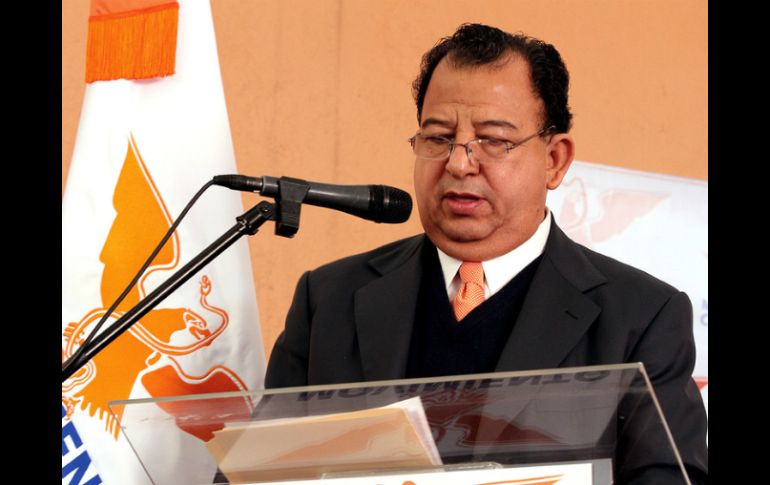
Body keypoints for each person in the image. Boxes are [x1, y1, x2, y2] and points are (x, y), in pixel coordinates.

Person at [264, 23, 707, 483]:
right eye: (438, 137)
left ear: (554, 160)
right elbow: (254, 469)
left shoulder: (640, 317)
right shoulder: (329, 300)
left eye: (494, 140)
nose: (458, 163)